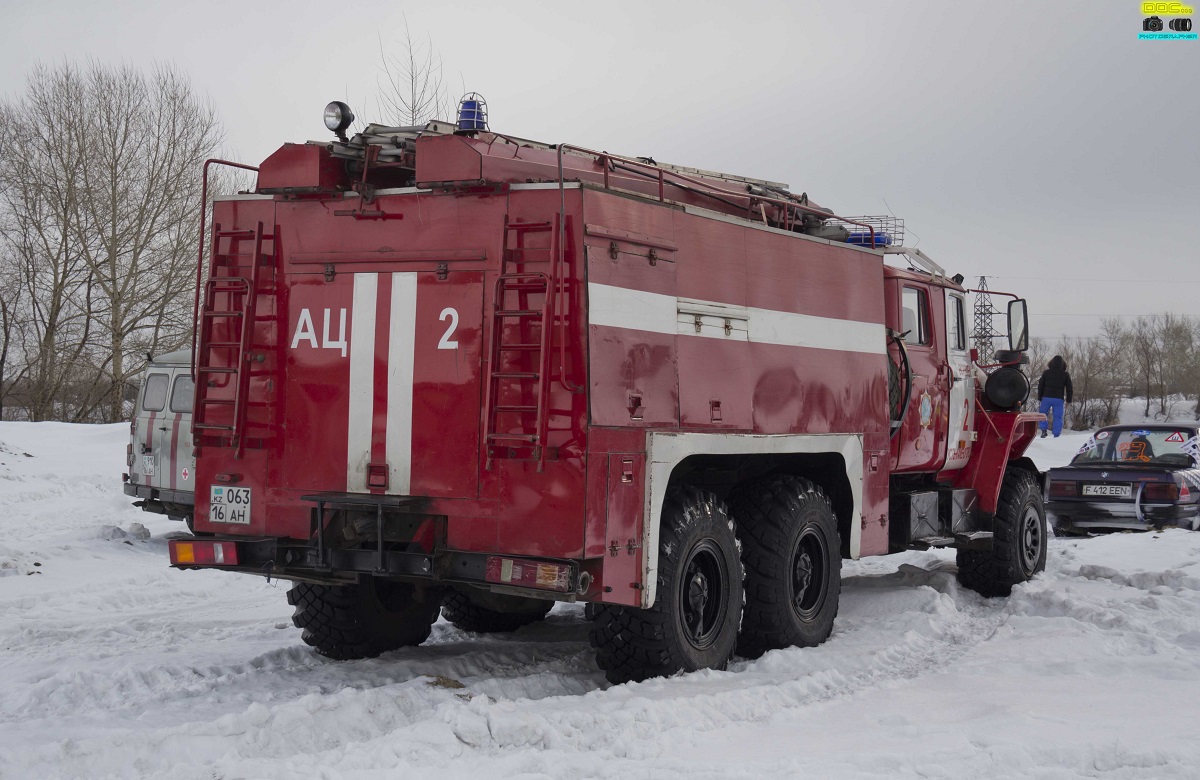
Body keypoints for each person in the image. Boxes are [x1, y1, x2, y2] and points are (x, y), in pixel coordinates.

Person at [1037, 355, 1073, 438]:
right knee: (1058, 417)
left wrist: (1039, 397)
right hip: (1058, 399)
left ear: (1051, 363)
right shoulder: (1065, 374)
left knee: (1043, 414)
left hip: (1046, 398)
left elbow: (1041, 385)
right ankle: (1056, 434)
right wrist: (1069, 400)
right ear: (1063, 365)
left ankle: (1043, 431)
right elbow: (1069, 388)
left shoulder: (1046, 373)